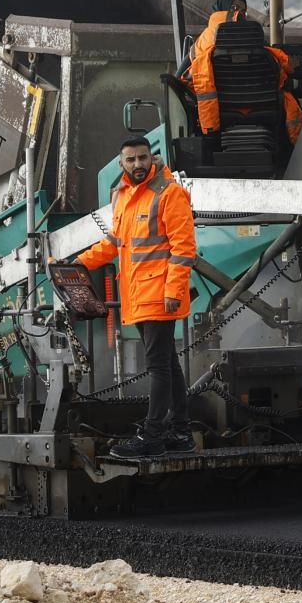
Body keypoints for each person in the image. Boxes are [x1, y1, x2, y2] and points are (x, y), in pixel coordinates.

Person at [78, 136, 199, 458]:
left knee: (159, 366)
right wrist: (78, 263)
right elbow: (114, 244)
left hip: (159, 296)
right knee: (168, 365)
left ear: (151, 158)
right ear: (122, 164)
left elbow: (184, 248)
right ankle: (181, 432)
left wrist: (173, 291)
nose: (138, 164)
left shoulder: (169, 193)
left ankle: (153, 436)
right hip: (139, 296)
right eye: (131, 160)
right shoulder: (123, 196)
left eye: (142, 158)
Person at [187, 0, 302, 143]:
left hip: (220, 111)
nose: (240, 13)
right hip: (263, 106)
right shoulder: (261, 47)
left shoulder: (200, 46)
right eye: (235, 8)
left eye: (243, 10)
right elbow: (285, 68)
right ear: (223, 9)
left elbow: (190, 77)